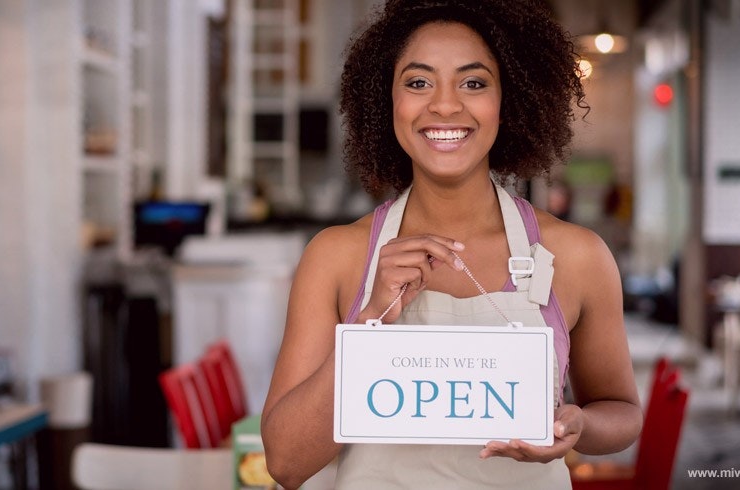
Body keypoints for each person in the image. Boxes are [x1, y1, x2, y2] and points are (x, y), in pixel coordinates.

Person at [260, 1, 643, 488]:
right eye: (418, 82)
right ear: (387, 101)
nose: (444, 105)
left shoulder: (577, 256)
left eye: (474, 82)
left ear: (509, 100)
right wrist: (367, 326)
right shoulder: (336, 256)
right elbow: (286, 463)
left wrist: (580, 425)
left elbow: (623, 412)